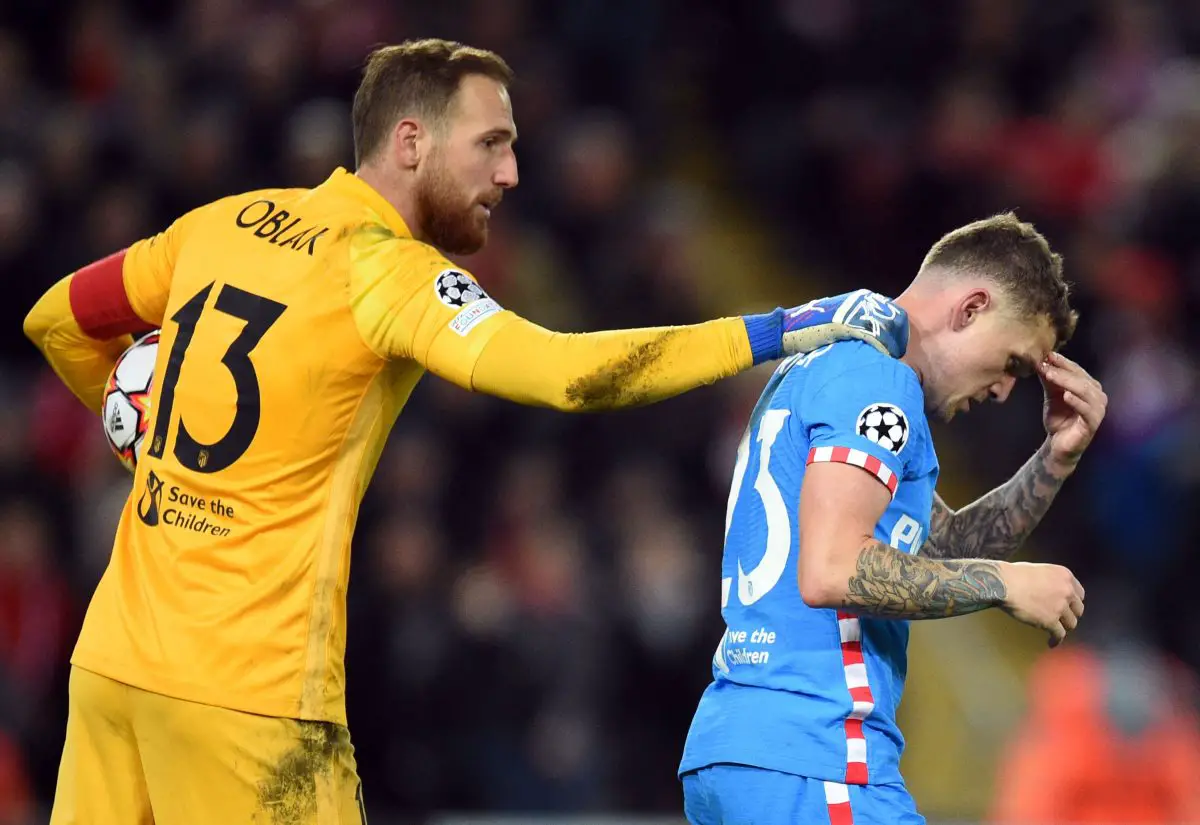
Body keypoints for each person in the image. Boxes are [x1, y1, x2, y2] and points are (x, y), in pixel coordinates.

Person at [22, 39, 909, 824]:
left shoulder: (221, 225)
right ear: (411, 142)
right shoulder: (386, 271)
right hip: (247, 698)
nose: (512, 172)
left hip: (112, 671)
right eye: (491, 143)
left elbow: (56, 317)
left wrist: (133, 431)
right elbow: (568, 373)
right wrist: (779, 326)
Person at [678, 212, 1108, 825]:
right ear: (971, 308)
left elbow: (936, 552)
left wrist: (1055, 459)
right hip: (818, 754)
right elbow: (832, 570)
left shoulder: (834, 368)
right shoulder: (877, 383)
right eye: (1013, 364)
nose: (1004, 392)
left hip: (751, 748)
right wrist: (1004, 583)